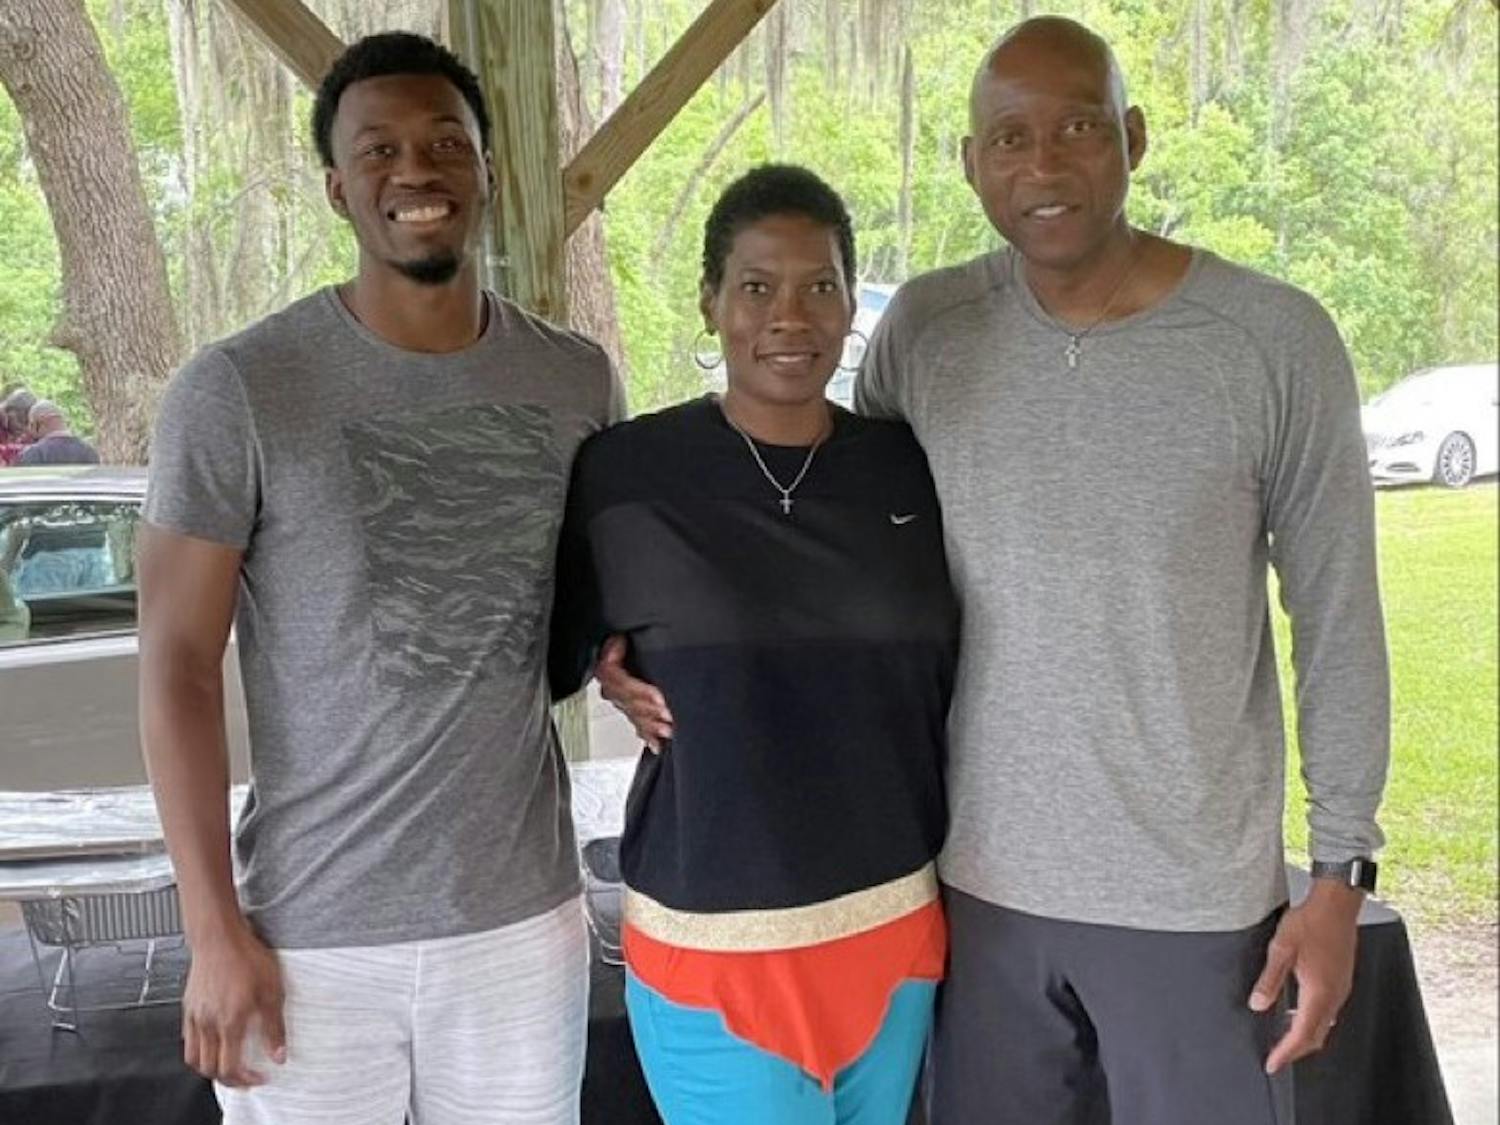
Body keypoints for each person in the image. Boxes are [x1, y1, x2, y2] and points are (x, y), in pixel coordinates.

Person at [599, 17, 1389, 1125]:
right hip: (971, 899)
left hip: (1193, 906)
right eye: (1008, 138)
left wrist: (1342, 872)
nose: (1045, 163)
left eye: (1077, 126)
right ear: (970, 163)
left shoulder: (1271, 340)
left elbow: (1340, 614)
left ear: (1135, 137)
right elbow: (826, 523)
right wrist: (632, 640)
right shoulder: (931, 328)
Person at [138, 32, 622, 1125]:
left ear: (491, 174)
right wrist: (212, 932)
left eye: (448, 141)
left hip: (519, 925)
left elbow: (598, 597)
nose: (418, 170)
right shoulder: (242, 389)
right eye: (381, 148)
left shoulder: (574, 376)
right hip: (309, 937)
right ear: (337, 187)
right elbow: (174, 668)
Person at [551, 163, 958, 1125]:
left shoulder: (910, 466)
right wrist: (612, 669)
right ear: (710, 303)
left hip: (893, 928)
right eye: (757, 286)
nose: (790, 315)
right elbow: (556, 653)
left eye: (820, 285)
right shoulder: (626, 474)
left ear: (853, 304)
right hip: (711, 940)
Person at [16, 400, 99, 466]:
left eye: (31, 425)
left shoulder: (33, 454)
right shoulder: (89, 452)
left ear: (40, 422)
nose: (29, 430)